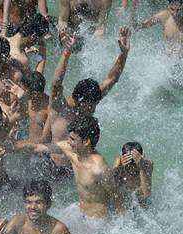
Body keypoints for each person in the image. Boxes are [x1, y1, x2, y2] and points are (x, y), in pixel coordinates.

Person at [42, 28, 129, 177]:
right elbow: (56, 83)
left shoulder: (90, 99)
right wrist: (67, 53)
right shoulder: (60, 107)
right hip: (52, 166)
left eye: (95, 103)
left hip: (77, 169)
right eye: (91, 105)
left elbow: (111, 78)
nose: (94, 108)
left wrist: (124, 53)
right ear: (79, 100)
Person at [54, 115, 123, 218]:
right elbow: (39, 147)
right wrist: (22, 146)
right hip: (79, 211)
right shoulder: (71, 151)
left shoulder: (99, 168)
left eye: (72, 139)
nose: (68, 142)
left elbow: (116, 195)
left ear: (86, 142)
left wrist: (120, 224)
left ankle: (118, 167)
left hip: (97, 221)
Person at [112, 141, 153, 208]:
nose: (132, 170)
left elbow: (146, 194)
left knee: (144, 204)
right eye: (129, 166)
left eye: (135, 166)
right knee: (118, 199)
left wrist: (141, 167)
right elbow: (111, 186)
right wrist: (120, 167)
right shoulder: (119, 161)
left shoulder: (147, 164)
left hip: (141, 198)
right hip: (124, 195)